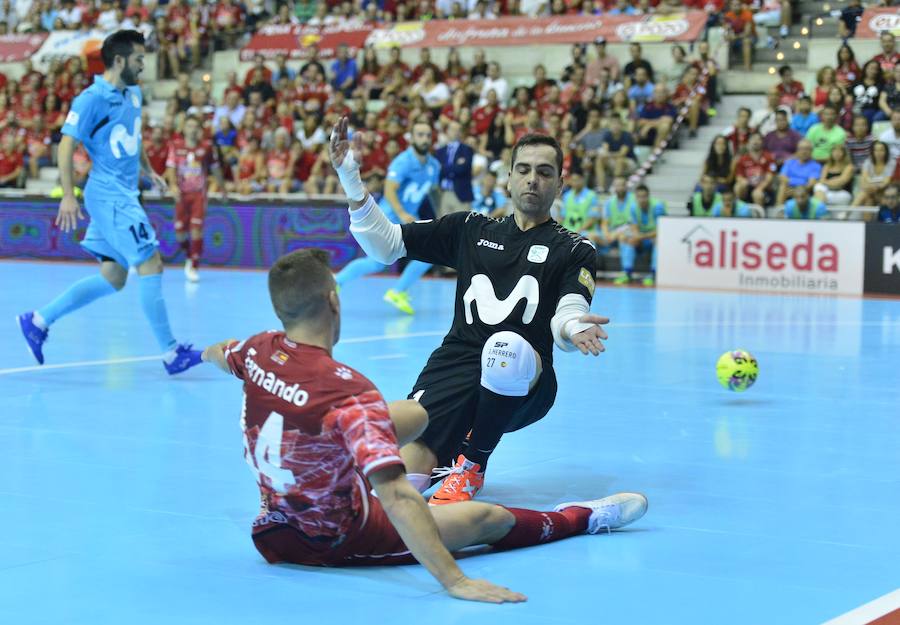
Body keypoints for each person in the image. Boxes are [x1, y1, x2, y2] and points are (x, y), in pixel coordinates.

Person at [201, 248, 648, 601]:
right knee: (483, 517)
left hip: (271, 531)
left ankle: (419, 459)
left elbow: (219, 352)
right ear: (333, 301)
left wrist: (227, 361)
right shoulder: (346, 391)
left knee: (411, 415)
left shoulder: (257, 350)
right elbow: (396, 497)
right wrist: (454, 581)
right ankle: (585, 517)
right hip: (333, 538)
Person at [330, 117, 610, 504]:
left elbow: (569, 308)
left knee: (505, 346)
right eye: (524, 170)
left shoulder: (575, 248)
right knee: (399, 489)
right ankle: (442, 458)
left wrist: (573, 326)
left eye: (545, 173)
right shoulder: (470, 229)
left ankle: (472, 464)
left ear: (559, 185)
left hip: (525, 380)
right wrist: (350, 179)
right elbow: (386, 244)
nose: (533, 180)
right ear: (508, 178)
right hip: (456, 364)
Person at [16, 30, 202, 374]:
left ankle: (39, 321)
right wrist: (68, 195)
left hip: (124, 192)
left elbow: (134, 136)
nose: (143, 65)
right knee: (151, 264)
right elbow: (66, 146)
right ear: (119, 61)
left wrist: (147, 170)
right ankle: (171, 353)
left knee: (114, 276)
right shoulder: (90, 99)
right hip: (109, 196)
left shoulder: (132, 93)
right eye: (138, 59)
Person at [335, 119, 440, 316]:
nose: (425, 139)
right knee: (378, 262)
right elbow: (390, 189)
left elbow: (432, 192)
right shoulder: (403, 161)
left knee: (430, 253)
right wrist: (401, 213)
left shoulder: (434, 165)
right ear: (411, 138)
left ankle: (396, 291)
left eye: (428, 135)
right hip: (391, 215)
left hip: (409, 216)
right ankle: (338, 282)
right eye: (420, 135)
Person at [165, 114, 225, 282]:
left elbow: (215, 169)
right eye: (189, 126)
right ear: (184, 128)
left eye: (195, 126)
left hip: (198, 194)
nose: (192, 129)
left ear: (199, 130)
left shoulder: (206, 147)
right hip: (181, 195)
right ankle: (189, 255)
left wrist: (223, 188)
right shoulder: (175, 146)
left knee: (196, 230)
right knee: (180, 235)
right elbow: (170, 167)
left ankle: (194, 264)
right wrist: (173, 185)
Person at [618, 184, 665, 287]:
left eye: (644, 196)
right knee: (626, 239)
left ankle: (653, 274)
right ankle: (627, 272)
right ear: (636, 197)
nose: (642, 199)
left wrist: (641, 237)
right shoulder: (634, 208)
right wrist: (636, 237)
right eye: (639, 197)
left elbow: (662, 229)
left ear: (648, 196)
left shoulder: (658, 206)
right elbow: (634, 227)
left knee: (658, 240)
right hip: (643, 238)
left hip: (654, 236)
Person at [435, 120, 475, 217]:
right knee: (443, 227)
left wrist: (444, 167)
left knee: (461, 227)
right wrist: (455, 166)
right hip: (444, 193)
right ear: (447, 131)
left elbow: (463, 169)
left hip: (461, 194)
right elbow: (437, 170)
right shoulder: (440, 151)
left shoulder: (466, 149)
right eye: (453, 129)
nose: (455, 132)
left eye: (458, 130)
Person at [734, 132, 777, 207]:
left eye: (758, 139)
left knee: (757, 194)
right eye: (753, 139)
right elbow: (739, 176)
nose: (755, 141)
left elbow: (769, 178)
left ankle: (760, 216)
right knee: (738, 187)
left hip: (764, 189)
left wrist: (759, 189)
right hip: (748, 188)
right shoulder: (742, 159)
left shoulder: (769, 157)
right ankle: (740, 213)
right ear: (748, 142)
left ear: (762, 142)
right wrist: (743, 181)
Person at [776, 139, 822, 206]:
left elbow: (811, 184)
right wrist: (797, 187)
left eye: (807, 149)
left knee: (800, 193)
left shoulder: (816, 166)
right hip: (789, 189)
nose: (804, 151)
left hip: (805, 192)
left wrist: (796, 190)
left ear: (811, 151)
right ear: (797, 150)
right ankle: (779, 210)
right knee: (783, 186)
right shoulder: (790, 162)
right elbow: (782, 177)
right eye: (801, 149)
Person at [559, 168, 599, 240]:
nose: (575, 183)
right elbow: (562, 217)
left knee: (589, 239)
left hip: (585, 231)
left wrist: (578, 231)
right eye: (573, 180)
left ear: (583, 179)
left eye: (577, 180)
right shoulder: (566, 196)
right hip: (567, 229)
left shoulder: (591, 195)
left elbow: (592, 219)